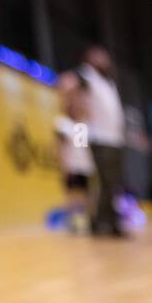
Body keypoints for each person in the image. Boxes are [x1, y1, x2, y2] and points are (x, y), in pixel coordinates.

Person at [60, 45, 126, 237]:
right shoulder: (86, 75)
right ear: (90, 58)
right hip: (100, 138)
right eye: (99, 56)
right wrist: (73, 104)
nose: (104, 59)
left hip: (114, 138)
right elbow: (66, 82)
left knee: (112, 183)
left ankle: (105, 221)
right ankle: (104, 223)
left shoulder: (107, 82)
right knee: (105, 182)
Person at [53, 78, 94, 234]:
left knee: (85, 194)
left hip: (84, 166)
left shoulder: (81, 125)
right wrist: (64, 165)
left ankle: (87, 220)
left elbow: (82, 146)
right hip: (71, 165)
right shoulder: (62, 123)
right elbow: (60, 146)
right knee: (71, 194)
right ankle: (71, 222)